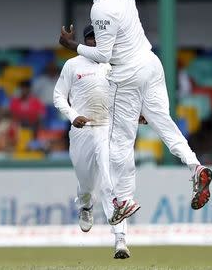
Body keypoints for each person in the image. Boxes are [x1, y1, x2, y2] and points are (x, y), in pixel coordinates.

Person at [51, 0, 212, 225]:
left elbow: (103, 55)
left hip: (126, 75)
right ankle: (195, 165)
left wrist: (72, 46)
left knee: (119, 142)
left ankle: (124, 199)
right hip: (151, 64)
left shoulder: (102, 8)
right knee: (163, 122)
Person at [53, 25, 130, 259]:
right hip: (82, 129)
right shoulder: (73, 65)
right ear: (85, 42)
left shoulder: (114, 64)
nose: (95, 43)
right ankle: (85, 204)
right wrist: (73, 115)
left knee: (110, 182)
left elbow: (127, 94)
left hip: (107, 129)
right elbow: (58, 95)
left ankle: (120, 240)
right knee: (86, 182)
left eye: (99, 39)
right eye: (90, 39)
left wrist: (137, 113)